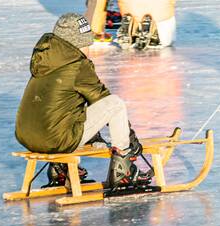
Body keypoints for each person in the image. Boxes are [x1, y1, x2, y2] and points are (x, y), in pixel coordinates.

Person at [15, 13, 148, 187]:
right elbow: (102, 99)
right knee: (115, 104)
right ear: (75, 43)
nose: (89, 49)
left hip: (27, 136)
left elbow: (62, 106)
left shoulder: (45, 60)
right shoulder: (78, 65)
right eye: (85, 44)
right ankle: (123, 167)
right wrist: (130, 138)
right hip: (56, 140)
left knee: (62, 104)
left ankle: (59, 168)